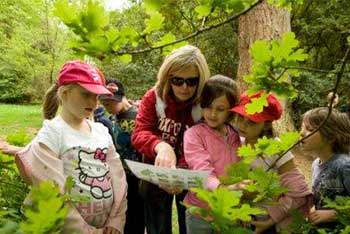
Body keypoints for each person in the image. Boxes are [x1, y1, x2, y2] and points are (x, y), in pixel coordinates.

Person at [15, 60, 127, 234]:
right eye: (86, 94)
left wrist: (116, 220)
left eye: (97, 96)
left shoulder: (101, 131)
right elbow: (55, 193)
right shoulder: (53, 133)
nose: (94, 102)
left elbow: (118, 177)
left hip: (107, 226)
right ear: (64, 93)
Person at [131, 45, 210, 234]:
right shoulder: (154, 97)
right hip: (155, 174)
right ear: (168, 77)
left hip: (190, 174)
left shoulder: (204, 104)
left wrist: (179, 173)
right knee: (157, 227)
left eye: (192, 81)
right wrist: (160, 145)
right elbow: (139, 132)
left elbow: (205, 143)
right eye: (177, 80)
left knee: (189, 224)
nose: (184, 87)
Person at [231, 91, 312, 234]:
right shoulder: (235, 141)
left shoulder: (275, 148)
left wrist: (271, 220)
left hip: (265, 222)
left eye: (252, 121)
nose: (243, 125)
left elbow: (297, 190)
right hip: (240, 220)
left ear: (266, 124)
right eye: (241, 117)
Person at [183, 75, 241, 234]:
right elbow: (201, 169)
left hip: (230, 210)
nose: (213, 114)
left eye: (220, 109)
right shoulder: (194, 134)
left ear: (231, 110)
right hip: (201, 214)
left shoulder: (237, 135)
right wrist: (223, 189)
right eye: (208, 106)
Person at [98, 78, 145, 234]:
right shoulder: (113, 119)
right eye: (105, 105)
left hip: (137, 176)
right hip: (120, 175)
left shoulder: (138, 117)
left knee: (136, 217)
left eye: (112, 103)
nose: (109, 107)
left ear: (123, 97)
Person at [300, 107, 350, 231]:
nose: (302, 133)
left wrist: (332, 215)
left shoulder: (344, 166)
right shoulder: (316, 164)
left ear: (331, 137)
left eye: (310, 129)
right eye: (302, 127)